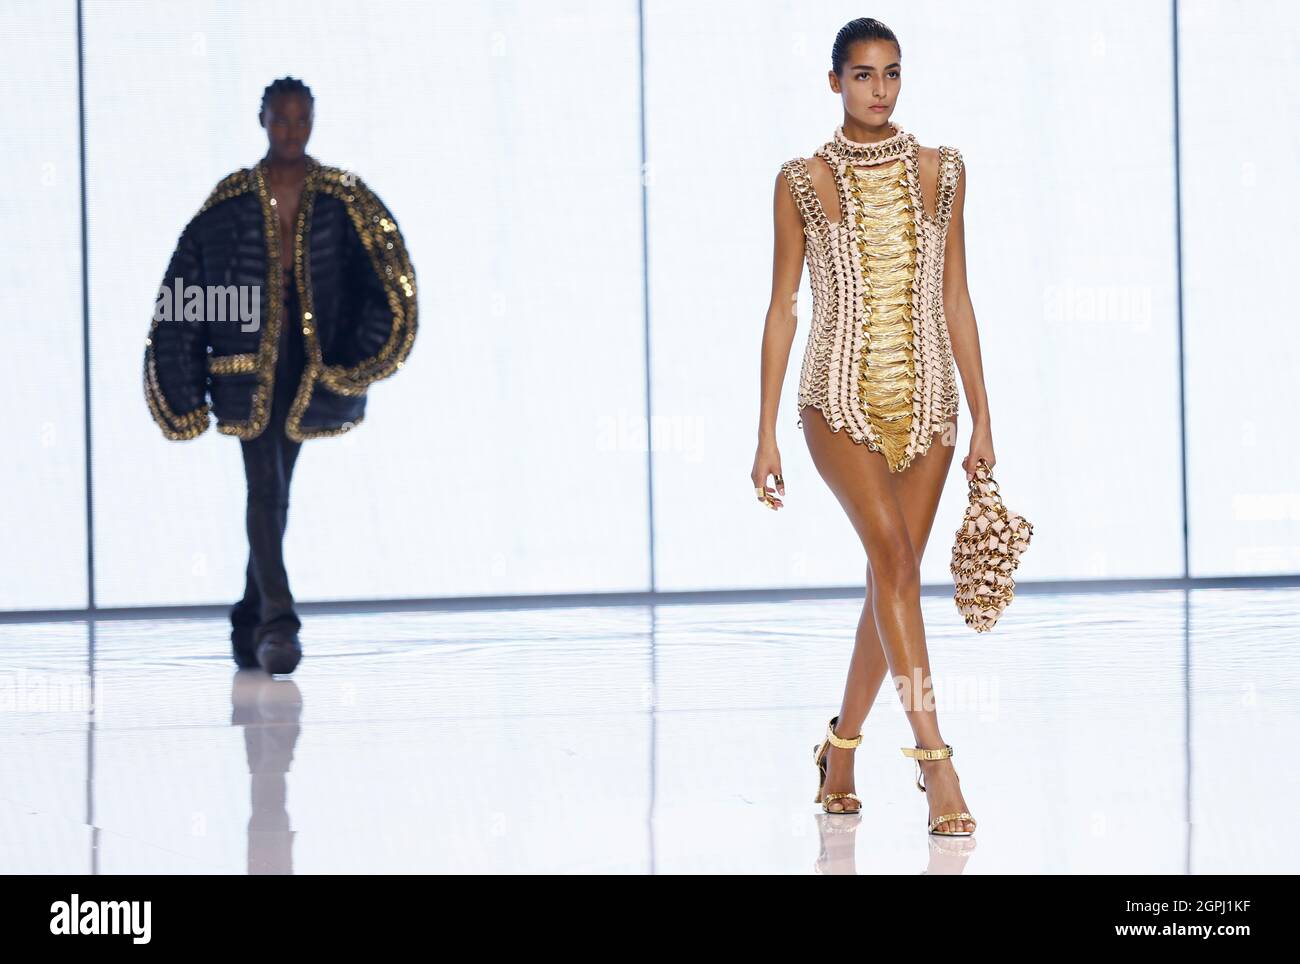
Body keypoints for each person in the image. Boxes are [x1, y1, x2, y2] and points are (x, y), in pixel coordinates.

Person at [751, 18, 994, 835]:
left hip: (932, 405)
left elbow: (956, 298)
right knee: (894, 561)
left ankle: (841, 749)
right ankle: (937, 760)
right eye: (862, 75)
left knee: (890, 581)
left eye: (891, 73)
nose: (880, 90)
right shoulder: (800, 182)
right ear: (834, 83)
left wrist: (984, 419)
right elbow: (784, 308)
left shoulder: (944, 172)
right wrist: (765, 432)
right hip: (836, 398)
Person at [144, 76, 418, 675]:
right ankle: (278, 625)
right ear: (262, 119)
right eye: (281, 119)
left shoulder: (344, 199)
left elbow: (381, 278)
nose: (292, 130)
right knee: (264, 486)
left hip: (308, 364)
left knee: (276, 489)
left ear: (312, 120)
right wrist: (182, 376)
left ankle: (249, 617)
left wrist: (357, 352)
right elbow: (189, 289)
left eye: (302, 119)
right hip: (245, 366)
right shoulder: (231, 204)